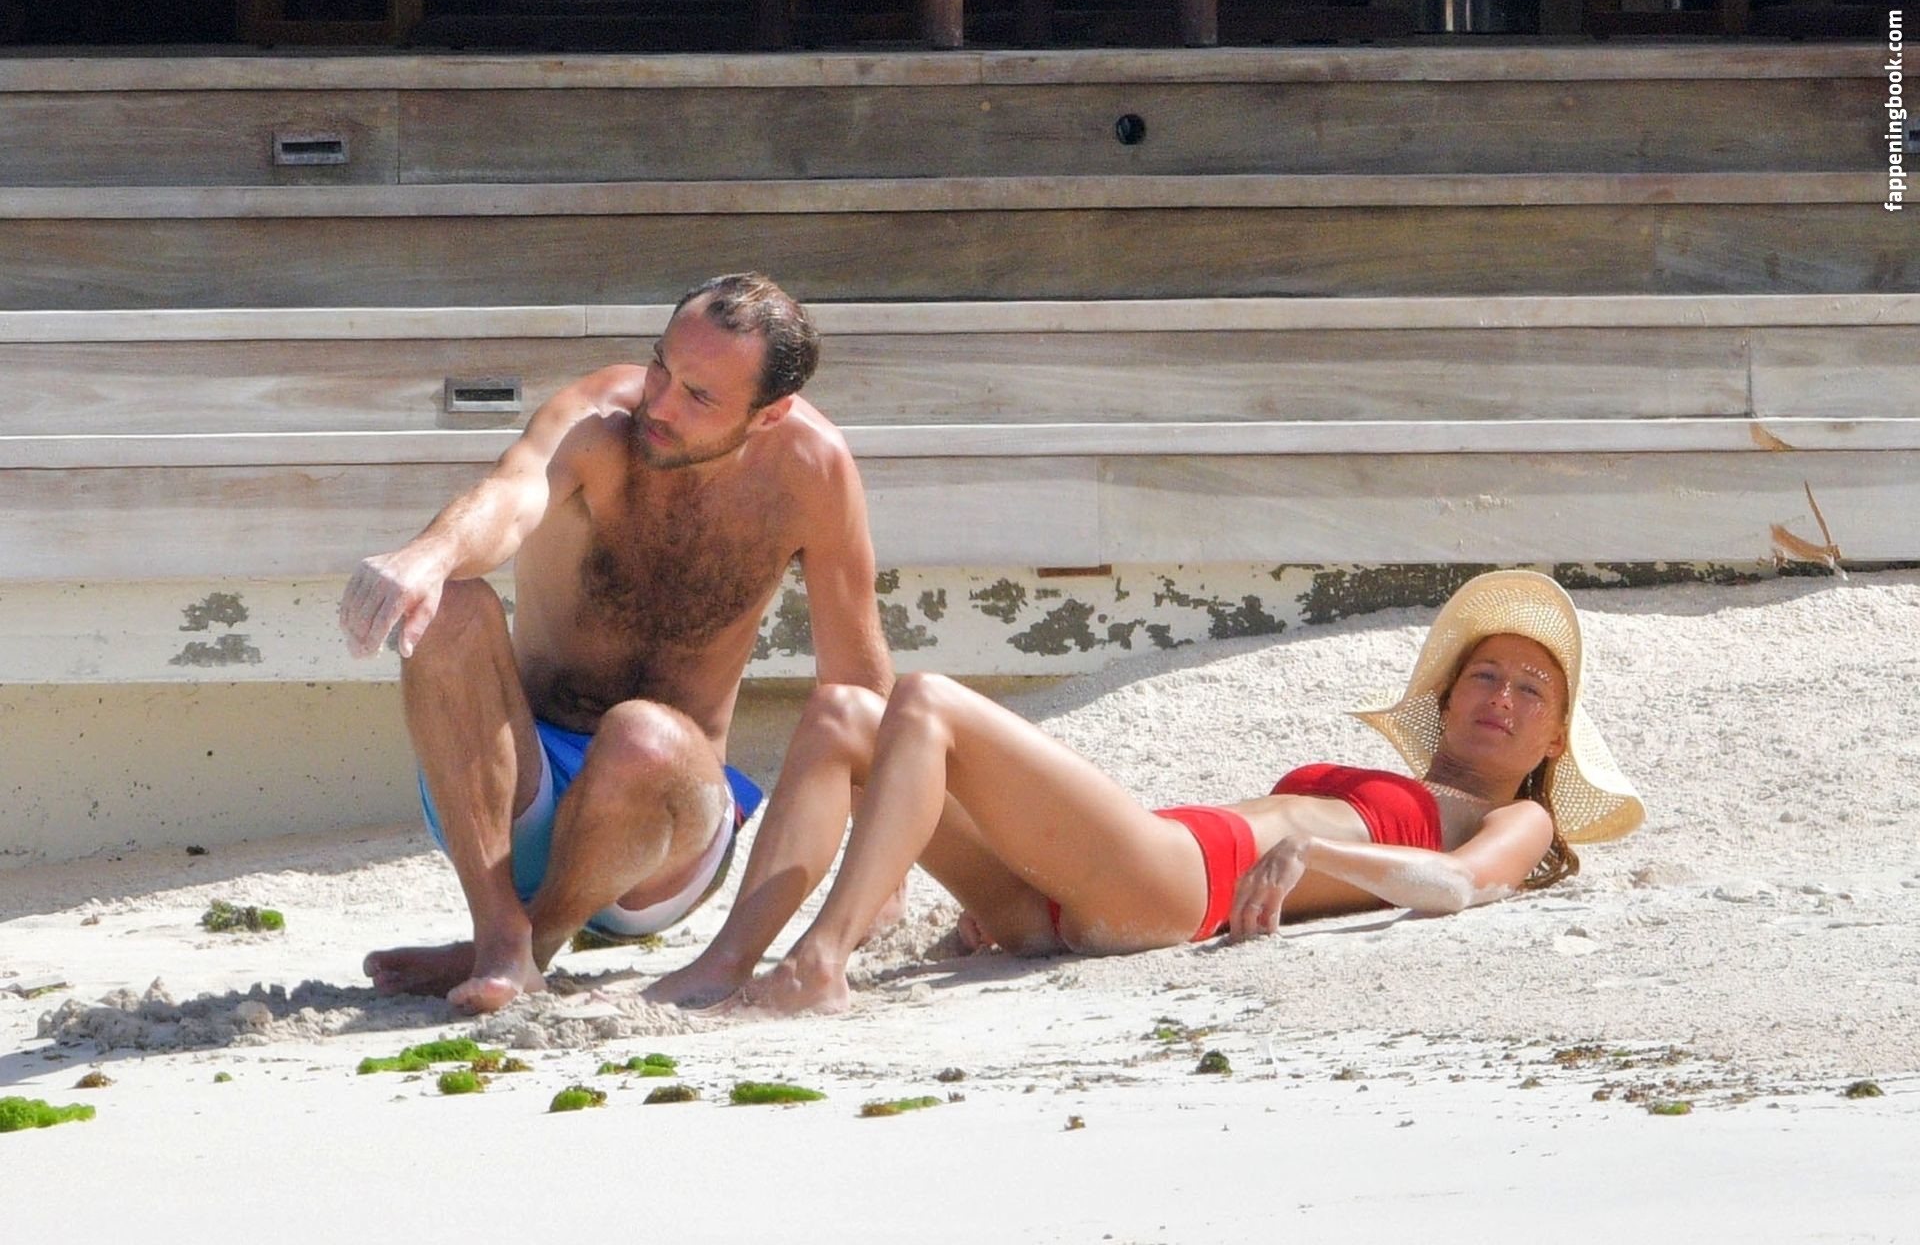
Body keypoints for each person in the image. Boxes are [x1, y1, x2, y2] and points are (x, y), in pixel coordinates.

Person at [650, 569, 1643, 1016]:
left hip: (1177, 886)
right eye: (1485, 675)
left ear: (1555, 737)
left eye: (1530, 690)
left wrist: (1322, 852)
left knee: (928, 700)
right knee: (840, 715)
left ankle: (821, 962)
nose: (1500, 697)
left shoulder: (1517, 815)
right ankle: (726, 963)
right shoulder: (1395, 784)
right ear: (1449, 696)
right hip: (1108, 879)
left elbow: (1462, 887)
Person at [338, 272, 892, 1013]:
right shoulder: (599, 419)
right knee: (446, 607)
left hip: (665, 836)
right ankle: (499, 934)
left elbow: (855, 676)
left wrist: (884, 876)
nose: (659, 405)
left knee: (640, 735)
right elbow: (511, 496)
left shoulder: (813, 471)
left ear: (770, 414)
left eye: (699, 397)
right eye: (662, 366)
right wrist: (429, 555)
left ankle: (530, 947)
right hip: (514, 796)